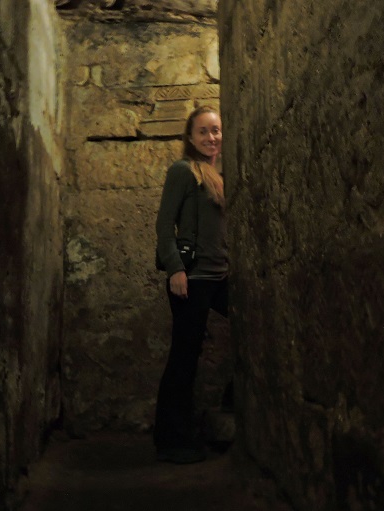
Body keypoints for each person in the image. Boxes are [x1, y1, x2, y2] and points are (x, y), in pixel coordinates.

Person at [153, 105, 229, 464]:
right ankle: (172, 440)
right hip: (193, 278)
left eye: (215, 130)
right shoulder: (183, 172)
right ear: (190, 137)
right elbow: (164, 225)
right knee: (184, 359)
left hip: (221, 277)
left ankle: (232, 402)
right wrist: (175, 270)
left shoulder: (220, 176)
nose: (211, 137)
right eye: (203, 131)